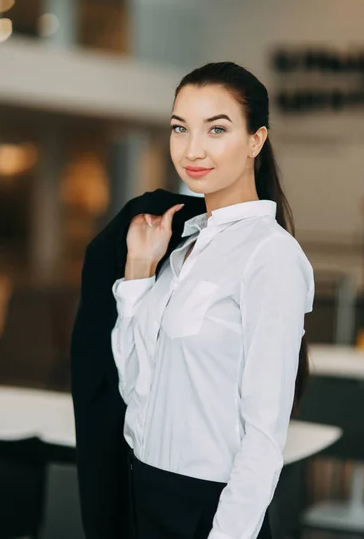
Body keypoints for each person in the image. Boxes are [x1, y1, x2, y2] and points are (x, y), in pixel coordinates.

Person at [110, 62, 315, 539]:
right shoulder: (182, 251)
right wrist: (139, 269)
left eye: (216, 129)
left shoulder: (271, 256)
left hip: (213, 510)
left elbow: (264, 436)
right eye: (180, 128)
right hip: (146, 492)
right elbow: (134, 387)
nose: (192, 149)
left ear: (255, 141)